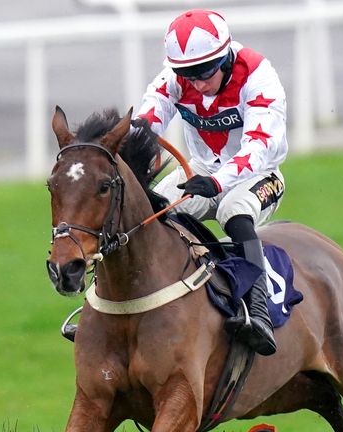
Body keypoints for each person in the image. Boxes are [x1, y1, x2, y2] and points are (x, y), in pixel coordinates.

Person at [63, 10, 288, 355]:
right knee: (144, 208)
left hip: (259, 175)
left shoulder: (258, 76)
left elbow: (258, 147)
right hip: (199, 168)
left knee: (234, 211)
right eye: (187, 74)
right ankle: (101, 307)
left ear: (226, 57)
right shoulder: (175, 78)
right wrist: (130, 136)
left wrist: (217, 181)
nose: (196, 83)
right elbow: (149, 117)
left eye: (204, 73)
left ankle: (257, 311)